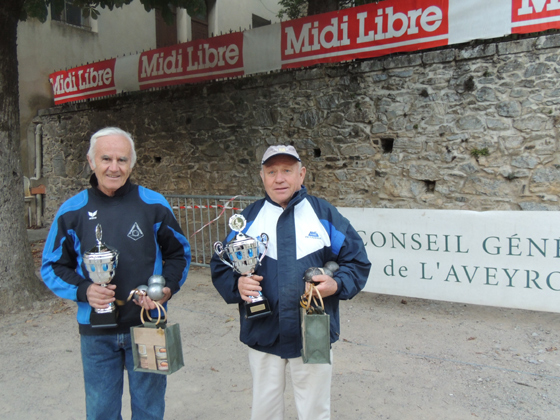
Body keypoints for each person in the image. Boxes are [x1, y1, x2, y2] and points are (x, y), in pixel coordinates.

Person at [211, 145, 371, 420]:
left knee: (315, 411)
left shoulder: (324, 214)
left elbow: (357, 262)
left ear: (302, 174)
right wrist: (237, 286)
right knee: (264, 411)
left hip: (313, 333)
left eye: (287, 170)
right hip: (263, 331)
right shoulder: (246, 220)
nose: (279, 178)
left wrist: (337, 284)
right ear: (262, 177)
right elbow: (221, 266)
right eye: (271, 171)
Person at [41, 127, 191, 419]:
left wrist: (167, 288)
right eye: (106, 158)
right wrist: (85, 290)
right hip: (96, 334)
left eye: (122, 160)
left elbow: (179, 254)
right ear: (91, 161)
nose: (114, 167)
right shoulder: (71, 211)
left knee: (149, 410)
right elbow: (52, 265)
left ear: (132, 164)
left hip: (147, 325)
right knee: (101, 413)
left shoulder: (154, 205)